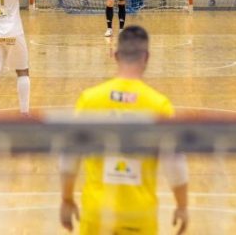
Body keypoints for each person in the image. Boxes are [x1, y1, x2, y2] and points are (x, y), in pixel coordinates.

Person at [59, 26, 189, 235]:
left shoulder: (89, 99)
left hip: (97, 214)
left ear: (115, 55)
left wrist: (66, 199)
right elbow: (175, 165)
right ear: (146, 57)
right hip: (139, 216)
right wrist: (182, 206)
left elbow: (69, 156)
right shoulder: (159, 105)